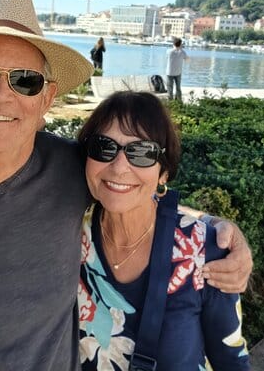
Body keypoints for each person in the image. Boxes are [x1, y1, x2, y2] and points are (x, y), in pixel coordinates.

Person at [0, 0, 253, 369]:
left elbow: (128, 188)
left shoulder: (70, 166)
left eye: (25, 80)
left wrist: (219, 230)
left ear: (46, 97)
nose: (1, 94)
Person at [78, 91, 249, 370]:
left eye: (142, 152)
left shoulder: (204, 249)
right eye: (103, 147)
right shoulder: (68, 233)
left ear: (163, 173)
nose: (119, 167)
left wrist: (219, 226)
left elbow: (231, 361)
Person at [166, 37, 189, 101]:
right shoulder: (182, 52)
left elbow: (167, 56)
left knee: (170, 88)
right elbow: (188, 60)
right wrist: (181, 49)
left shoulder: (169, 51)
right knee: (178, 88)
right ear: (180, 44)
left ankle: (170, 101)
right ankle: (178, 101)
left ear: (173, 44)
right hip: (178, 72)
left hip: (169, 72)